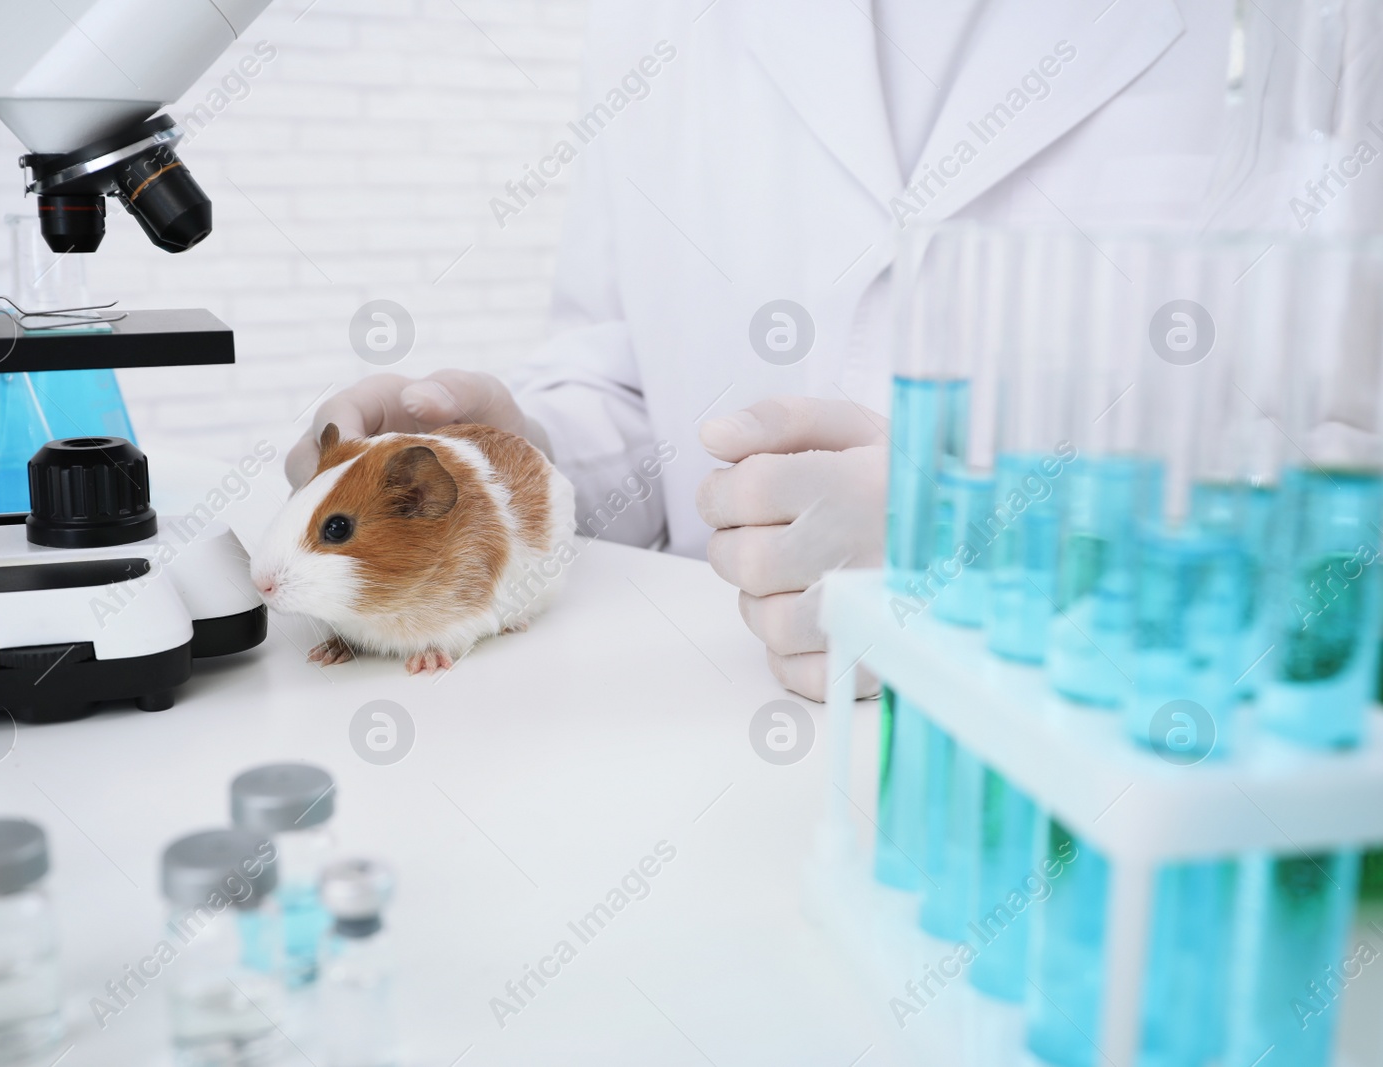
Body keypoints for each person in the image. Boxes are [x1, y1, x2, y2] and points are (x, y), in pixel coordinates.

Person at [287, 0, 1232, 701]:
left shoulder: (1316, 32)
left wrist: (1003, 552)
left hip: (1087, 753)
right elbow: (624, 374)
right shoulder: (652, 24)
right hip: (713, 715)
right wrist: (516, 466)